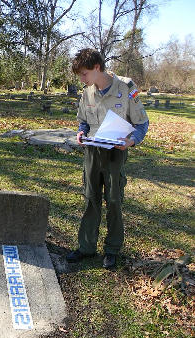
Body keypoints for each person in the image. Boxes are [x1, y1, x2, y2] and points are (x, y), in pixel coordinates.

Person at [66, 48, 149, 268]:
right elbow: (83, 121)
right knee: (91, 198)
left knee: (113, 200)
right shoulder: (87, 93)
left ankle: (112, 249)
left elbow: (142, 124)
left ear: (96, 67)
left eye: (84, 74)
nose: (82, 79)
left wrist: (131, 141)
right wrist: (81, 132)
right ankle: (86, 247)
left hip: (115, 153)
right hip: (92, 152)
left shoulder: (126, 87)